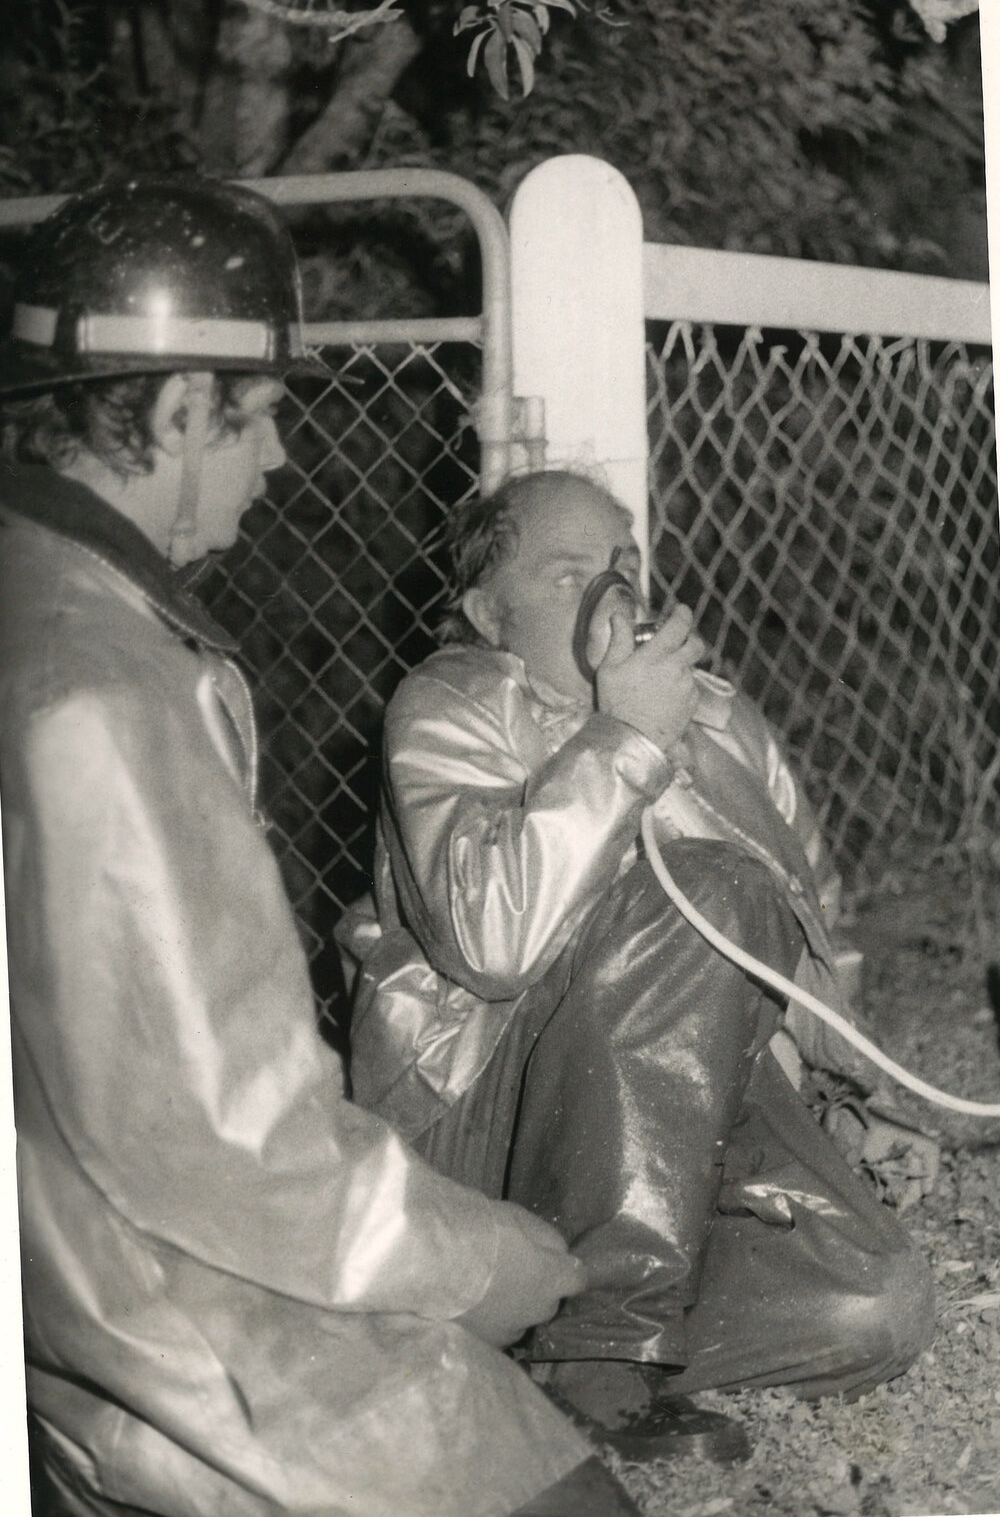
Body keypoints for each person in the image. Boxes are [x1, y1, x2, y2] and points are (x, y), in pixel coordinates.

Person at [0, 180, 642, 1517]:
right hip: (162, 1333)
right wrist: (486, 1260)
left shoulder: (41, 594)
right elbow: (228, 1146)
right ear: (179, 411)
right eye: (265, 414)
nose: (281, 458)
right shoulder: (108, 693)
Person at [342, 467, 937, 1464]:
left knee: (873, 1306)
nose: (612, 584)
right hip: (487, 1126)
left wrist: (850, 1091)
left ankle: (519, 1341)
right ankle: (600, 1360)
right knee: (705, 889)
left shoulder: (719, 721)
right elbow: (492, 949)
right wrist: (621, 740)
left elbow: (811, 938)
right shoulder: (450, 703)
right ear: (487, 612)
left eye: (624, 560)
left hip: (664, 1152)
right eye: (570, 569)